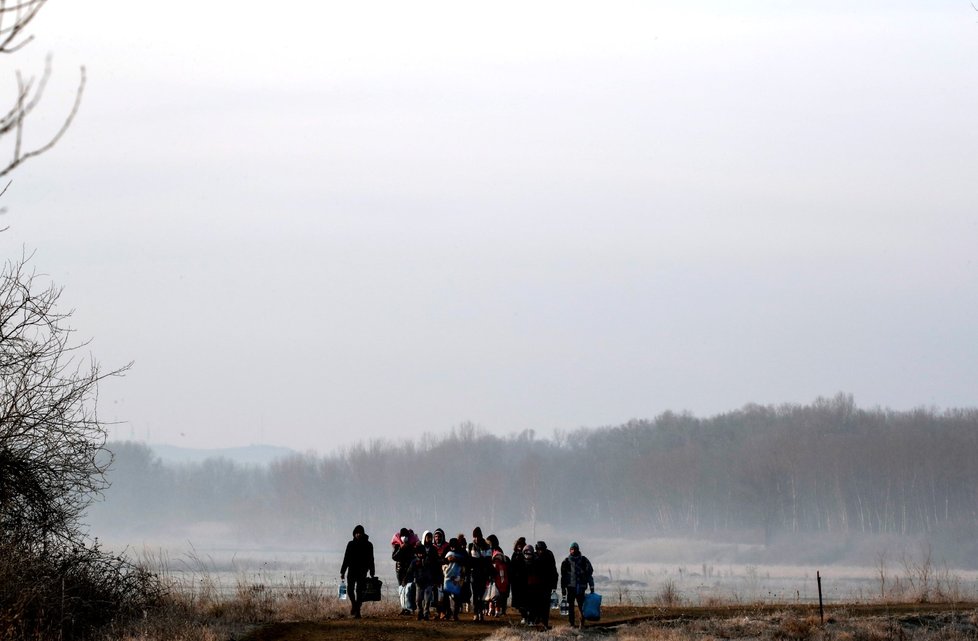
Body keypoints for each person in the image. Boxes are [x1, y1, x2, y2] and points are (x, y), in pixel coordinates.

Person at [340, 524, 375, 619]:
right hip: (351, 570)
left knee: (359, 591)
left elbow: (371, 559)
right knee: (350, 590)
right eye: (357, 533)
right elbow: (346, 558)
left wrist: (372, 571)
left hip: (362, 571)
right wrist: (342, 572)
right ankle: (354, 605)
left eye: (360, 533)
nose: (358, 534)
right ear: (354, 534)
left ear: (363, 534)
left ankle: (358, 612)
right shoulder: (350, 544)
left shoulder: (368, 545)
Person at [560, 541, 594, 629]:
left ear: (578, 550)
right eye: (572, 549)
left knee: (581, 607)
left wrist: (592, 587)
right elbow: (563, 577)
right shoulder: (566, 561)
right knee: (570, 607)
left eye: (575, 549)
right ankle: (571, 624)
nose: (573, 551)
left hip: (581, 588)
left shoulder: (584, 560)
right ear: (569, 550)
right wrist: (563, 589)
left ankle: (581, 624)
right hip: (570, 588)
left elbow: (589, 574)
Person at [468, 527, 492, 621]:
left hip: (483, 574)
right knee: (475, 594)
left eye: (478, 536)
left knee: (482, 595)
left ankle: (480, 612)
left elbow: (488, 561)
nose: (476, 538)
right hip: (474, 574)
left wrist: (477, 561)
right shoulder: (470, 546)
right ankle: (475, 613)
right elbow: (469, 561)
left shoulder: (487, 546)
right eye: (475, 537)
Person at [391, 527, 416, 615]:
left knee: (408, 589)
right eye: (403, 536)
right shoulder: (397, 545)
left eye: (406, 536)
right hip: (400, 570)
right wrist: (400, 548)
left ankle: (409, 608)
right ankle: (403, 608)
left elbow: (414, 557)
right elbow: (394, 557)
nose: (404, 538)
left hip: (409, 570)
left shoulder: (412, 545)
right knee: (401, 589)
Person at [535, 541, 559, 628]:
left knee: (545, 605)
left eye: (542, 549)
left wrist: (554, 585)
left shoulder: (549, 555)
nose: (541, 551)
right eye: (539, 549)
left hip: (546, 584)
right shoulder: (535, 556)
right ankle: (537, 621)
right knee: (537, 604)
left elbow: (553, 570)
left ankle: (544, 622)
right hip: (537, 584)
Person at [509, 537, 528, 621]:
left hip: (523, 580)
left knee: (523, 600)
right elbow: (511, 566)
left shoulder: (525, 554)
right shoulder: (515, 554)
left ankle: (525, 616)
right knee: (518, 601)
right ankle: (524, 615)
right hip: (515, 581)